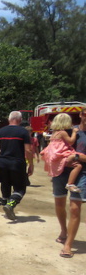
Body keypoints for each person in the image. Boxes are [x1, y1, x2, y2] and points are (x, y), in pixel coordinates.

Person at [54, 107, 86, 258]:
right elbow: (53, 150)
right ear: (81, 115)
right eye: (85, 114)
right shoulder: (67, 131)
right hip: (61, 172)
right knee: (59, 205)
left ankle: (68, 245)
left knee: (74, 208)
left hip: (81, 173)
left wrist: (76, 157)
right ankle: (63, 231)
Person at [0, 111, 34, 220]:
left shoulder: (0, 132)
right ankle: (10, 205)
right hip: (17, 163)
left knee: (5, 184)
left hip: (2, 163)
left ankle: (6, 208)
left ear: (9, 119)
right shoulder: (23, 132)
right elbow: (28, 150)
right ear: (20, 120)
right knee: (20, 188)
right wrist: (31, 164)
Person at [40, 113, 82, 192]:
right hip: (60, 155)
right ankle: (70, 183)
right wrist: (74, 132)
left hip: (55, 155)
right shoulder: (63, 133)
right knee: (78, 166)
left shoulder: (54, 133)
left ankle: (55, 177)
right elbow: (71, 142)